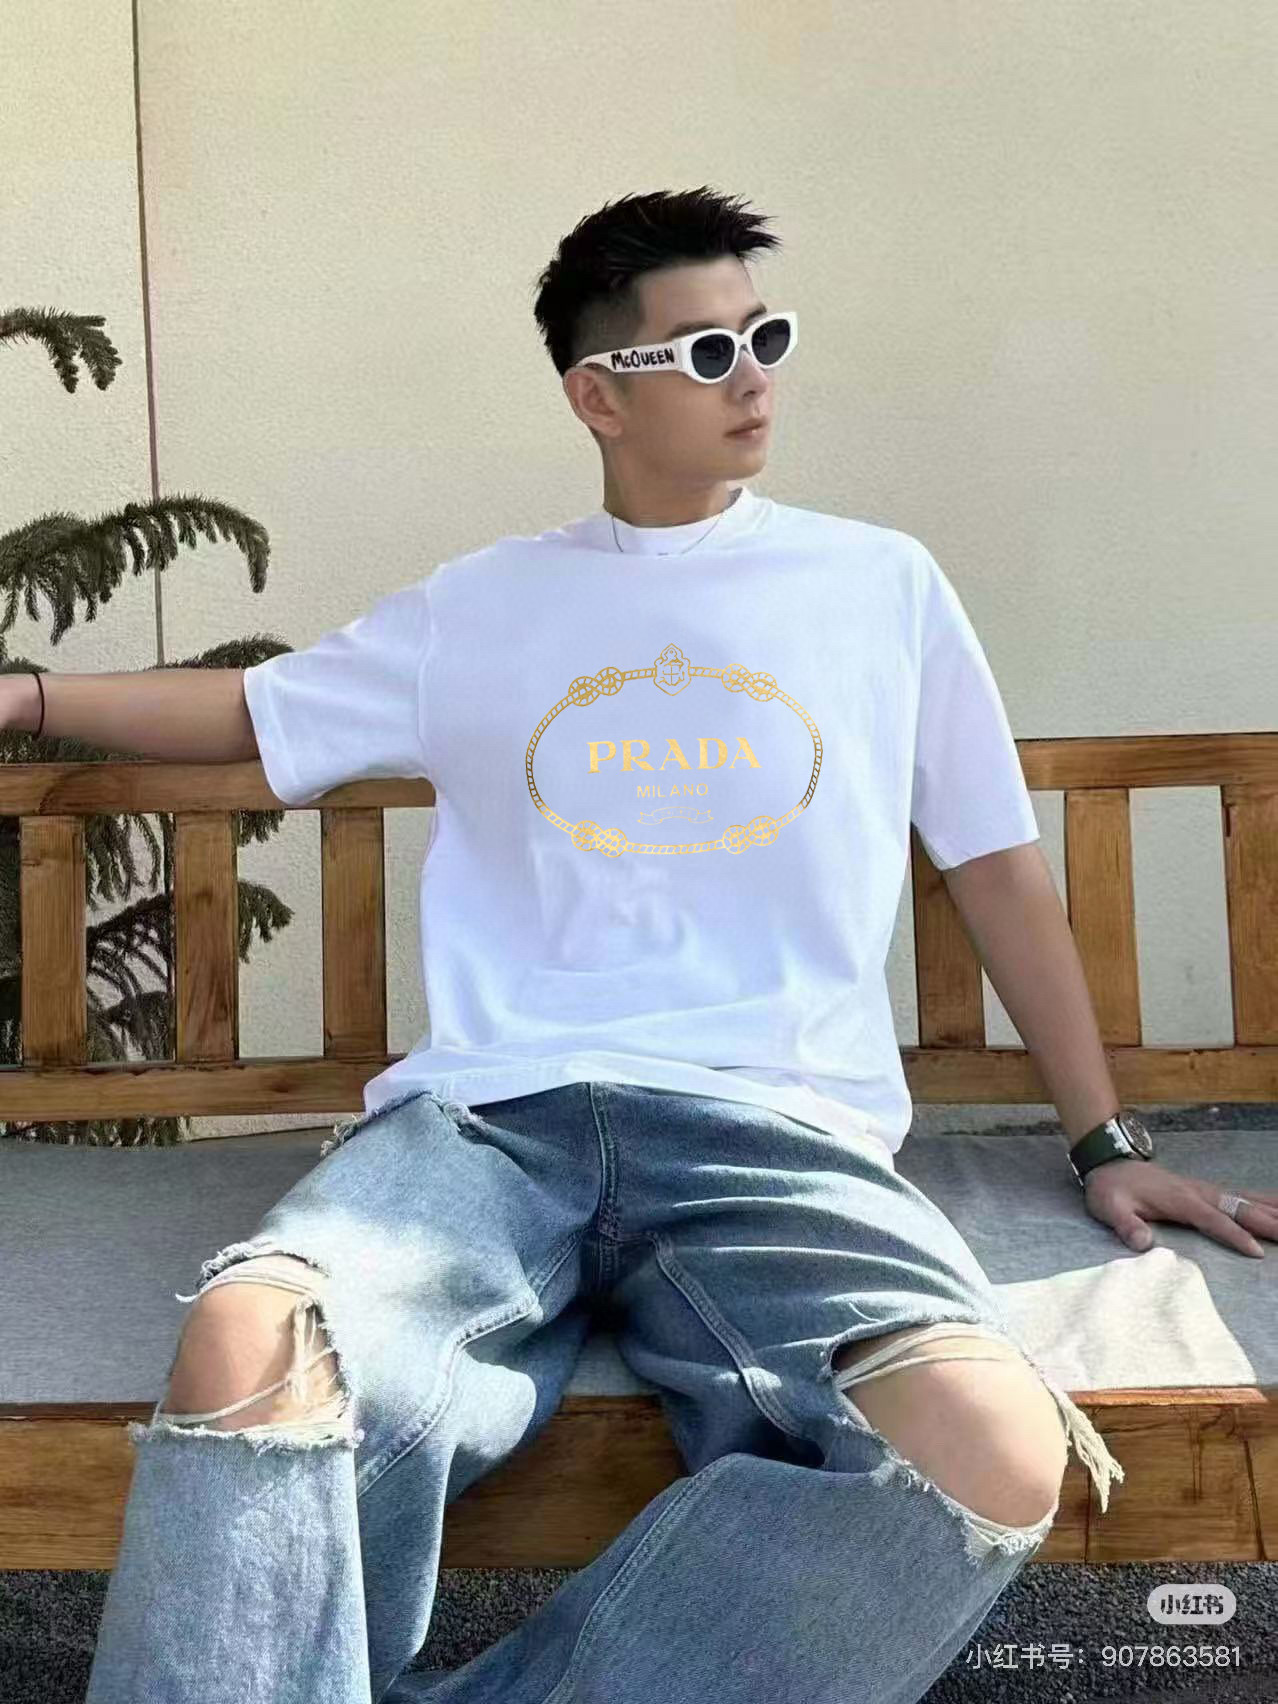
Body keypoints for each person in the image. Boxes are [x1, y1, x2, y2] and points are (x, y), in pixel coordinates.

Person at [60, 185, 1126, 1702]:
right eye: (704, 351)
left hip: (779, 1134)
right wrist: (28, 696)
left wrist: (1103, 1140)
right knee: (253, 1340)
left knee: (987, 1448)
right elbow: (255, 710)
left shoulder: (877, 585)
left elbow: (997, 865)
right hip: (493, 1130)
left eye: (765, 337)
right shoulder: (484, 605)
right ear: (597, 395)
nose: (753, 378)